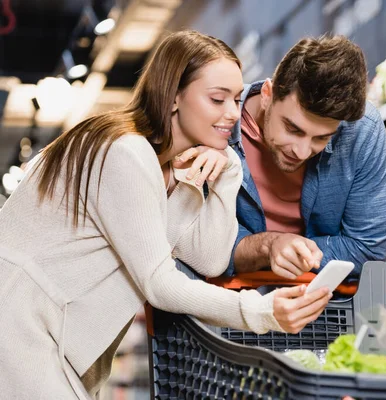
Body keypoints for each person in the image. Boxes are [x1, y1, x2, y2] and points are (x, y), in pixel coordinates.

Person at [0, 31, 331, 399]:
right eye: (217, 99)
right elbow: (160, 284)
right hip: (20, 329)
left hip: (56, 341)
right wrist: (261, 311)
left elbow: (209, 257)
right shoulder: (124, 152)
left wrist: (229, 172)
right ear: (174, 96)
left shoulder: (172, 170)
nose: (232, 114)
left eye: (237, 99)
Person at [226, 35, 386, 280]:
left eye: (321, 138)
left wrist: (284, 251)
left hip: (327, 309)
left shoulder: (361, 130)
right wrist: (270, 246)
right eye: (293, 129)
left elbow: (368, 247)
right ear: (267, 94)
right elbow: (203, 244)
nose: (302, 152)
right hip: (230, 305)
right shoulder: (221, 122)